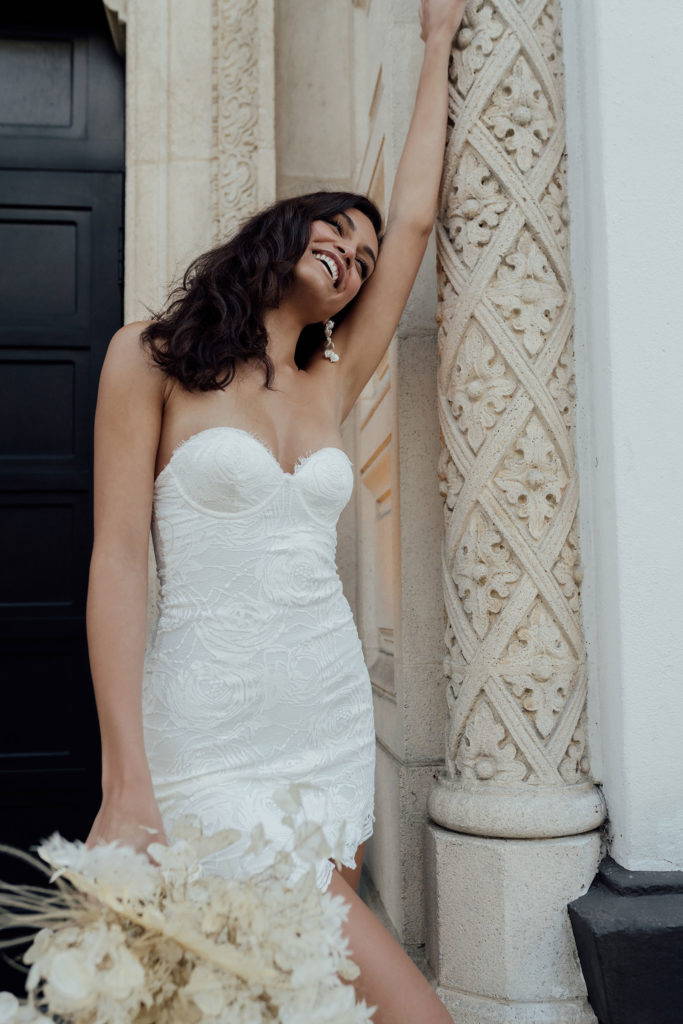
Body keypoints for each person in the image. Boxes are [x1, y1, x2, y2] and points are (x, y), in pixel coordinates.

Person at [85, 0, 465, 1019]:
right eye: (333, 230)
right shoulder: (150, 356)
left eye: (360, 259)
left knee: (283, 994)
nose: (350, 252)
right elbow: (120, 560)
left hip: (322, 719)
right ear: (273, 234)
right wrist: (126, 779)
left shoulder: (332, 380)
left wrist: (436, 42)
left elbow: (416, 220)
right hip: (202, 729)